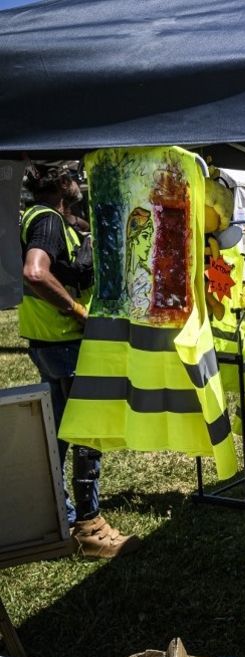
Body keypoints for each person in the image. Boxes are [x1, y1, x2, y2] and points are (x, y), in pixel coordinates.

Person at [19, 165, 138, 558]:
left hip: (48, 342)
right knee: (86, 435)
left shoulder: (48, 218)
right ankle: (87, 526)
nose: (77, 179)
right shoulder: (48, 221)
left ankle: (52, 518)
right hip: (64, 341)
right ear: (57, 182)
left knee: (56, 436)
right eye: (71, 173)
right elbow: (35, 273)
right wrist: (75, 309)